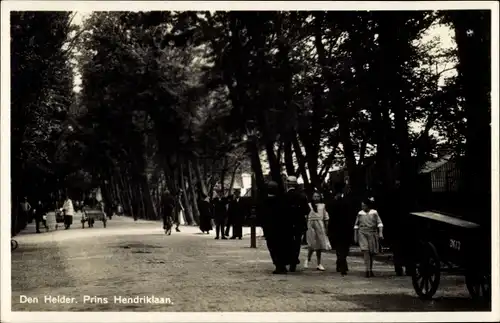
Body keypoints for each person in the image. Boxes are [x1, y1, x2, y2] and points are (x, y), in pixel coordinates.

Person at [260, 181, 290, 274]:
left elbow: (262, 215)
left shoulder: (265, 201)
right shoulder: (282, 200)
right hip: (280, 228)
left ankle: (278, 265)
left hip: (271, 228)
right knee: (281, 246)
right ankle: (282, 265)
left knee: (273, 247)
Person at [283, 176, 310, 272]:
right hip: (299, 222)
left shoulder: (284, 196)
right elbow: (307, 210)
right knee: (297, 242)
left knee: (287, 242)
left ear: (287, 184)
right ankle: (294, 261)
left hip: (287, 223)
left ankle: (288, 259)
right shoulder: (302, 196)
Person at [354, 197, 384, 277]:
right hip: (362, 233)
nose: (363, 207)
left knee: (371, 252)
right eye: (362, 206)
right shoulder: (360, 213)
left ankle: (370, 269)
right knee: (365, 250)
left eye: (364, 206)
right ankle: (367, 270)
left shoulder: (374, 213)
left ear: (368, 206)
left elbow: (380, 223)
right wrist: (355, 236)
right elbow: (356, 225)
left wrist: (380, 233)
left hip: (372, 233)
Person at [328, 182, 352, 275]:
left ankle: (340, 262)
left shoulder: (331, 202)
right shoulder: (347, 201)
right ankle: (342, 262)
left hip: (335, 228)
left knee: (339, 247)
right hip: (346, 228)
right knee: (344, 247)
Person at [304, 191, 331, 271]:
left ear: (320, 197)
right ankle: (307, 260)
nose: (316, 198)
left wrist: (326, 228)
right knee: (312, 244)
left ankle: (319, 263)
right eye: (314, 196)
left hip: (320, 225)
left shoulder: (323, 206)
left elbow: (326, 218)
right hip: (311, 225)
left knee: (319, 245)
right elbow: (306, 217)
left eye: (317, 196)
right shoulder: (309, 205)